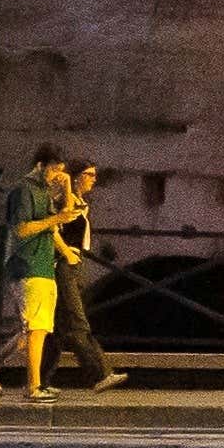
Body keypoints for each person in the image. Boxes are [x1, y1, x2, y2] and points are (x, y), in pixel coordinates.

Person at [0, 147, 83, 402]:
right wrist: (55, 219)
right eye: (56, 170)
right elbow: (21, 229)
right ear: (42, 164)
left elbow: (59, 223)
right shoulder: (24, 191)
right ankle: (33, 387)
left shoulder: (44, 191)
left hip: (43, 265)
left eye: (61, 172)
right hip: (27, 264)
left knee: (33, 330)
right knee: (36, 328)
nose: (57, 175)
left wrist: (66, 189)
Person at [49, 163, 131, 394]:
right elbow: (51, 228)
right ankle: (100, 374)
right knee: (78, 322)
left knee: (58, 328)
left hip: (75, 265)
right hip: (65, 266)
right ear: (76, 178)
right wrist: (65, 251)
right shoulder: (64, 201)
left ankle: (38, 381)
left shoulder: (80, 202)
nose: (94, 179)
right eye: (90, 175)